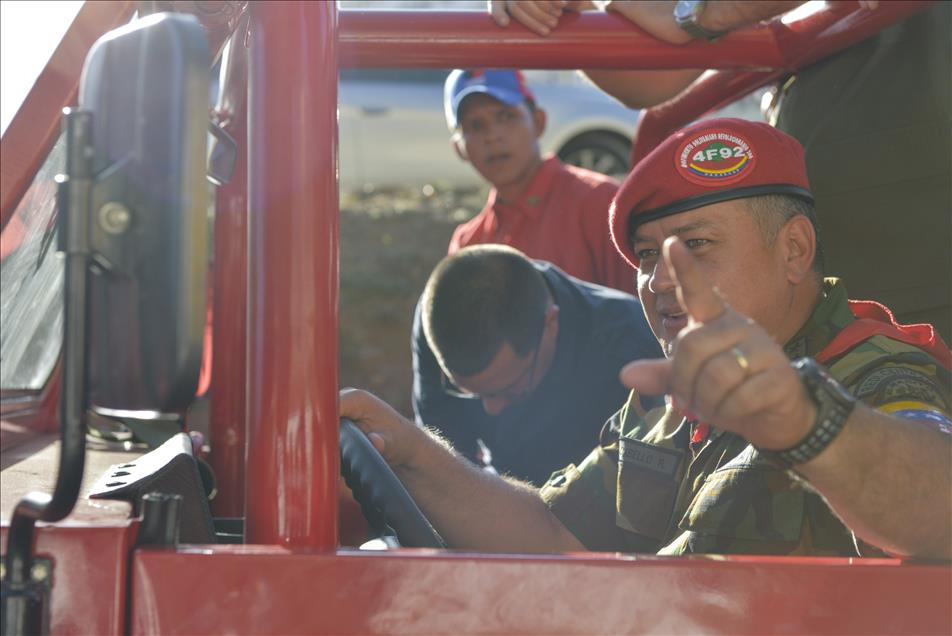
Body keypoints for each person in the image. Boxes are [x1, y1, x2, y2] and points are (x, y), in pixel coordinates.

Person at [342, 117, 951, 559]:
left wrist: (804, 422)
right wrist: (409, 452)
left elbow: (939, 507)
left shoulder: (874, 372)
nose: (659, 280)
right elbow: (555, 534)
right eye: (644, 257)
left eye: (696, 245)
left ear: (794, 250)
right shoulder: (666, 397)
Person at [488, 0, 952, 341]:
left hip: (916, 212)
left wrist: (706, 14)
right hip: (826, 253)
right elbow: (652, 74)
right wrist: (560, 9)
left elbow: (692, 19)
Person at [412, 244, 662, 486]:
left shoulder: (633, 349)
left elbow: (634, 497)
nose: (491, 409)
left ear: (551, 324)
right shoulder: (437, 319)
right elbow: (445, 464)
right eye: (467, 391)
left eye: (510, 389)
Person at [443, 68, 633, 293]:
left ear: (539, 121)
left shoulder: (602, 203)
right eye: (475, 125)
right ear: (459, 148)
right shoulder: (468, 244)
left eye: (506, 116)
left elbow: (640, 316)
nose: (492, 136)